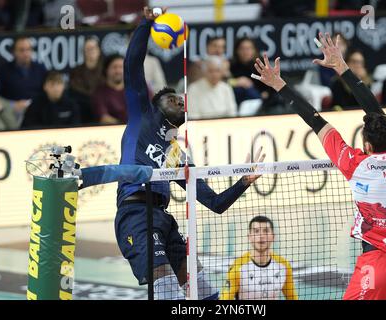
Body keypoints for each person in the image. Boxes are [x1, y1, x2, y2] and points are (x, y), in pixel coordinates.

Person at [253, 32, 386, 300]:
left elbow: (315, 120)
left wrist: (280, 85)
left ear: (366, 146)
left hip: (376, 263)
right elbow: (374, 109)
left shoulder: (356, 164)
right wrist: (343, 67)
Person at [115, 6, 266, 301]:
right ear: (157, 104)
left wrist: (243, 182)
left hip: (163, 218)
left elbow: (215, 203)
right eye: (173, 98)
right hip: (134, 215)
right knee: (168, 292)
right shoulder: (141, 116)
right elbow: (131, 65)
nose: (180, 101)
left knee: (205, 291)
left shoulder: (179, 156)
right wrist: (146, 24)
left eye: (181, 99)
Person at [220, 216, 298, 300]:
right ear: (249, 237)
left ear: (273, 236)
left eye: (266, 231)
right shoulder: (237, 268)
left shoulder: (284, 265)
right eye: (256, 231)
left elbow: (292, 297)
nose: (261, 236)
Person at [0, 36, 47, 123]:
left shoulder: (40, 69)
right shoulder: (2, 70)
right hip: (11, 112)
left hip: (36, 111)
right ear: (14, 52)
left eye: (28, 49)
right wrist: (12, 105)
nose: (26, 53)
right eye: (21, 50)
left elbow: (45, 92)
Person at [69, 37, 104, 124]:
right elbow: (77, 90)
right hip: (84, 108)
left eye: (93, 48)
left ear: (99, 50)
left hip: (104, 106)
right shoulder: (76, 71)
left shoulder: (106, 69)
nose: (91, 51)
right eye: (88, 49)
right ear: (83, 52)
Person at [91, 54, 127, 124]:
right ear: (106, 70)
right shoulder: (99, 93)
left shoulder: (138, 88)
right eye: (114, 67)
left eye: (121, 67)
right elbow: (104, 118)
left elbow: (152, 108)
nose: (118, 71)